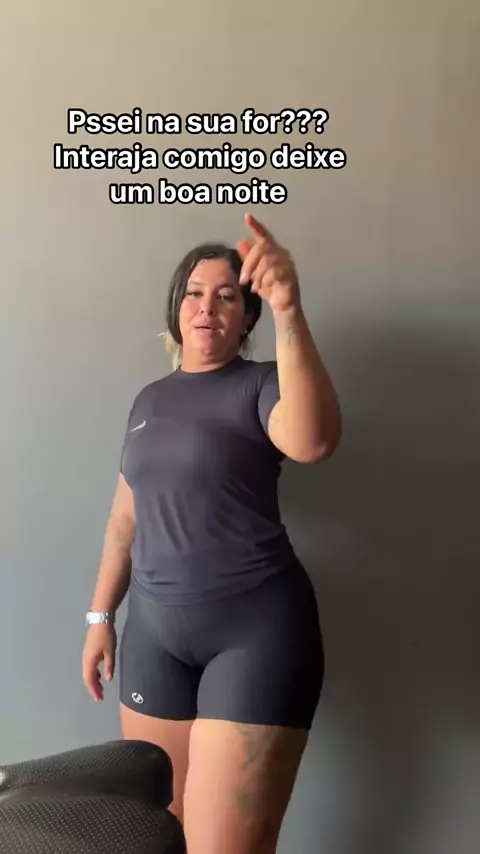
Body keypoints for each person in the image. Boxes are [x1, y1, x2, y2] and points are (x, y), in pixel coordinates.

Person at [82, 212, 342, 854]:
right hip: (154, 637)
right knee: (157, 837)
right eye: (194, 293)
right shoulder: (148, 400)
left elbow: (313, 441)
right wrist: (99, 616)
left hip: (253, 632)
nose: (207, 307)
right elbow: (125, 520)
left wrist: (288, 308)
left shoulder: (262, 384)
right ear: (177, 308)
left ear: (247, 316)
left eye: (227, 296)